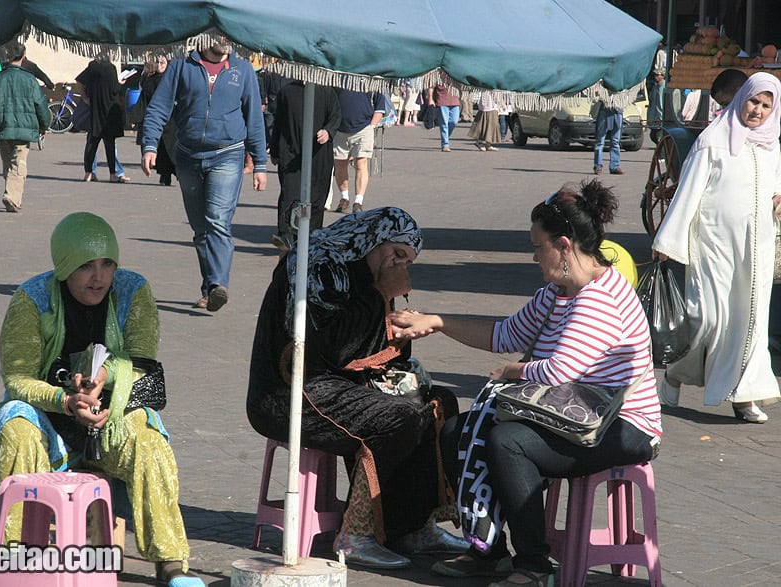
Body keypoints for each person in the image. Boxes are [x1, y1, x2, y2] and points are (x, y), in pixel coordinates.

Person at [390, 180, 662, 586]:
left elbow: (558, 371)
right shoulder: (557, 292)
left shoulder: (599, 298)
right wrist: (437, 323)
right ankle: (489, 552)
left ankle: (534, 565)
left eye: (539, 247)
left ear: (564, 245)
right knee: (455, 433)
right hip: (570, 414)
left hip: (620, 425)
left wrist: (512, 373)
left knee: (507, 441)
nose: (534, 256)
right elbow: (506, 335)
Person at [0, 212, 205, 587]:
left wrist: (107, 377)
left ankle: (170, 563)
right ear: (64, 265)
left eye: (108, 264)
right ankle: (6, 560)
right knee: (14, 428)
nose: (98, 277)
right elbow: (17, 379)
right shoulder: (31, 300)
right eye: (85, 266)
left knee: (148, 440)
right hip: (47, 419)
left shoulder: (134, 292)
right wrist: (65, 401)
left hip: (110, 417)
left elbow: (143, 363)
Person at [247, 207, 470, 570]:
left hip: (338, 381)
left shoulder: (364, 265)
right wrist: (382, 296)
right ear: (376, 240)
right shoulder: (321, 265)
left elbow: (371, 350)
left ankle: (412, 526)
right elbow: (339, 348)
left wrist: (398, 322)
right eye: (396, 254)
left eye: (406, 259)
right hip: (291, 392)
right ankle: (357, 534)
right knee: (395, 417)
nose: (398, 263)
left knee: (436, 403)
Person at [652, 72, 781, 423]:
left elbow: (776, 187)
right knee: (708, 318)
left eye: (766, 105)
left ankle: (745, 395)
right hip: (714, 246)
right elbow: (688, 192)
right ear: (742, 99)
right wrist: (667, 239)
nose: (758, 110)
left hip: (757, 249)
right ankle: (674, 375)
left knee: (751, 318)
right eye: (754, 101)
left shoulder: (772, 146)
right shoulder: (712, 141)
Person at [141, 37, 267, 312]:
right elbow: (159, 108)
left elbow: (253, 118)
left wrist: (260, 163)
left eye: (228, 36)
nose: (224, 41)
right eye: (218, 35)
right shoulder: (181, 66)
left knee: (218, 221)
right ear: (205, 36)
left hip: (227, 154)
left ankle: (217, 284)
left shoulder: (242, 70)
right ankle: (209, 286)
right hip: (187, 156)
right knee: (200, 229)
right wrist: (150, 145)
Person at [269, 82, 341, 252]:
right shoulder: (286, 91)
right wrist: (274, 150)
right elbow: (278, 121)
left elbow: (336, 116)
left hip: (319, 153)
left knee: (317, 195)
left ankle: (312, 236)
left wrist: (328, 131)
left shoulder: (327, 90)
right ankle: (286, 235)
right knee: (290, 193)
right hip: (291, 151)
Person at [0, 42, 51, 213]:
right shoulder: (30, 80)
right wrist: (44, 125)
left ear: (7, 57)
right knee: (18, 164)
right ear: (23, 57)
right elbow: (40, 104)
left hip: (5, 128)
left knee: (8, 164)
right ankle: (11, 196)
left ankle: (11, 193)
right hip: (25, 129)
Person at [76, 56, 128, 183]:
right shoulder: (111, 68)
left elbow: (79, 81)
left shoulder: (92, 67)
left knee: (91, 143)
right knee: (110, 144)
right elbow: (114, 89)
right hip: (110, 111)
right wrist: (120, 83)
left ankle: (88, 173)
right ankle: (112, 174)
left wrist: (85, 97)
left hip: (95, 109)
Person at [332, 90, 385, 213]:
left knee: (361, 163)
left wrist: (372, 126)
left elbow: (380, 107)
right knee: (339, 164)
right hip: (339, 129)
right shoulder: (339, 77)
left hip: (364, 128)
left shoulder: (371, 79)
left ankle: (358, 202)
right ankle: (344, 197)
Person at [135, 56, 175, 186]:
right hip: (155, 118)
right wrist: (136, 117)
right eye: (157, 63)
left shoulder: (171, 79)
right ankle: (164, 175)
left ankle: (173, 172)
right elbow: (143, 100)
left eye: (162, 63)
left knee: (172, 147)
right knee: (160, 148)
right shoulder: (148, 79)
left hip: (172, 119)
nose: (160, 66)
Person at [593, 100, 624, 175]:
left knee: (615, 141)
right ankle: (598, 166)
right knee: (600, 141)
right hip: (605, 111)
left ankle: (615, 166)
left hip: (618, 111)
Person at [428, 83, 461, 152]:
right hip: (442, 101)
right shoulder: (438, 76)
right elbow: (431, 88)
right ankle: (445, 144)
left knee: (454, 121)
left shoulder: (456, 74)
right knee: (444, 123)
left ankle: (445, 137)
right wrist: (430, 99)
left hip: (455, 101)